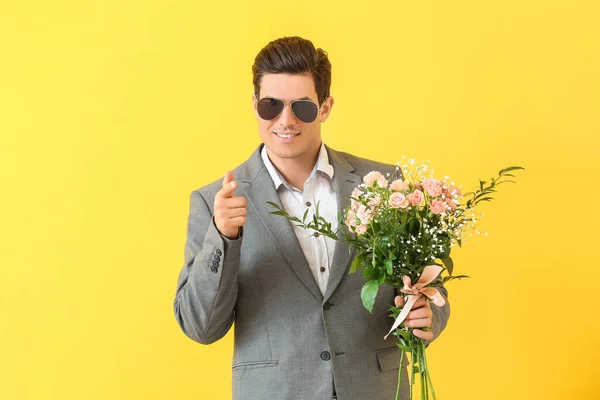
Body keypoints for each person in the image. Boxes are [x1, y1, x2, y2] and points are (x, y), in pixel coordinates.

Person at [173, 36, 450, 400]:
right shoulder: (215, 202)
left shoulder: (386, 185)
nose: (285, 121)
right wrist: (223, 237)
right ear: (255, 104)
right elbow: (201, 326)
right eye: (271, 105)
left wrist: (429, 315)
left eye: (301, 107)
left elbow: (428, 285)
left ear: (325, 106)